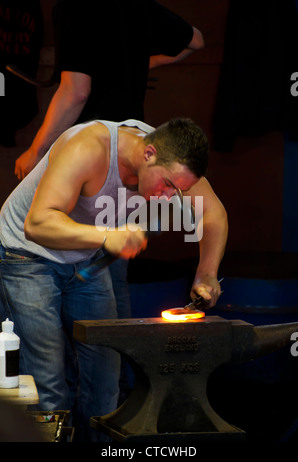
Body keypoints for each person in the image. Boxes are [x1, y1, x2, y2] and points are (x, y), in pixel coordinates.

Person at [0, 117, 228, 441]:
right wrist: (107, 235)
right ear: (149, 153)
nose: (168, 197)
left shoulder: (172, 163)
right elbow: (37, 224)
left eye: (179, 190)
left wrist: (206, 273)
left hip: (85, 260)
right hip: (26, 258)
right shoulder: (89, 147)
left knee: (106, 379)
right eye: (167, 185)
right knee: (48, 386)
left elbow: (212, 213)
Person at [14, 0, 204, 179]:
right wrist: (137, 63)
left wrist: (36, 151)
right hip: (131, 151)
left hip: (89, 153)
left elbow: (76, 93)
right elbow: (196, 41)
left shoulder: (71, 2)